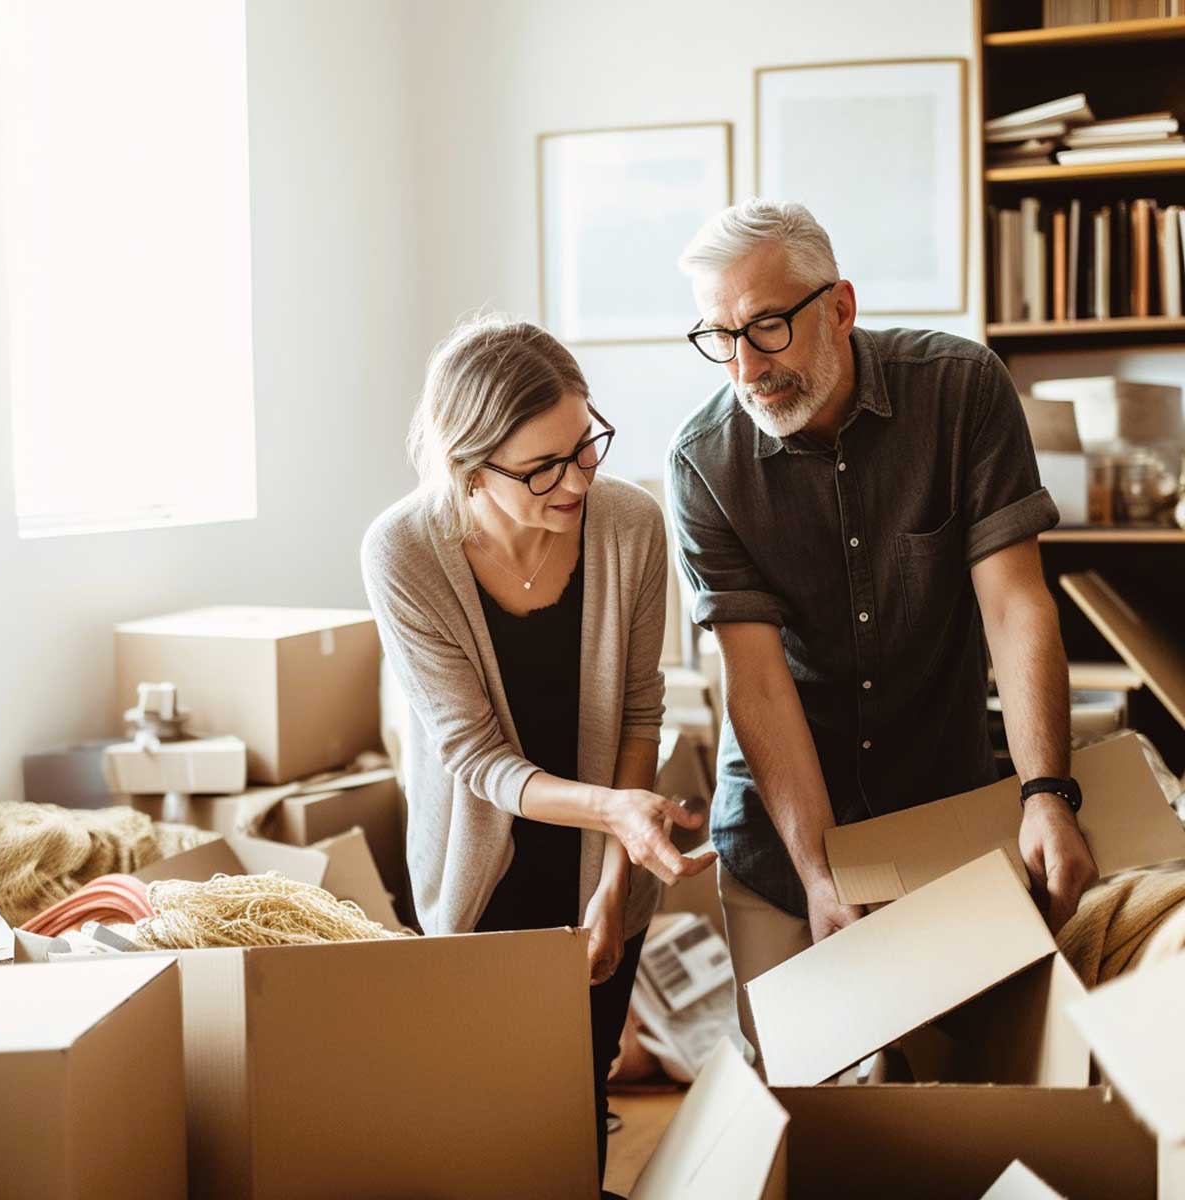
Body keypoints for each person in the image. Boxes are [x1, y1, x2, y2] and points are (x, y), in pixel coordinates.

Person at [666, 198, 1098, 1065]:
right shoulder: (704, 463)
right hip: (780, 843)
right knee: (806, 1112)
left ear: (840, 306)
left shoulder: (963, 390)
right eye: (720, 336)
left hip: (944, 819)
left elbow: (1015, 605)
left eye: (769, 327)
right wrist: (821, 876)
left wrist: (1047, 792)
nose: (745, 367)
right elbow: (757, 682)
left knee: (967, 1101)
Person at [361, 313, 715, 1184]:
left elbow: (640, 711)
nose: (577, 480)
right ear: (469, 471)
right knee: (484, 1119)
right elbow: (474, 760)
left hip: (605, 869)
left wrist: (612, 880)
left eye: (586, 444)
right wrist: (617, 815)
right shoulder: (402, 551)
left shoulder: (631, 525)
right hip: (482, 871)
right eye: (543, 467)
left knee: (575, 1106)